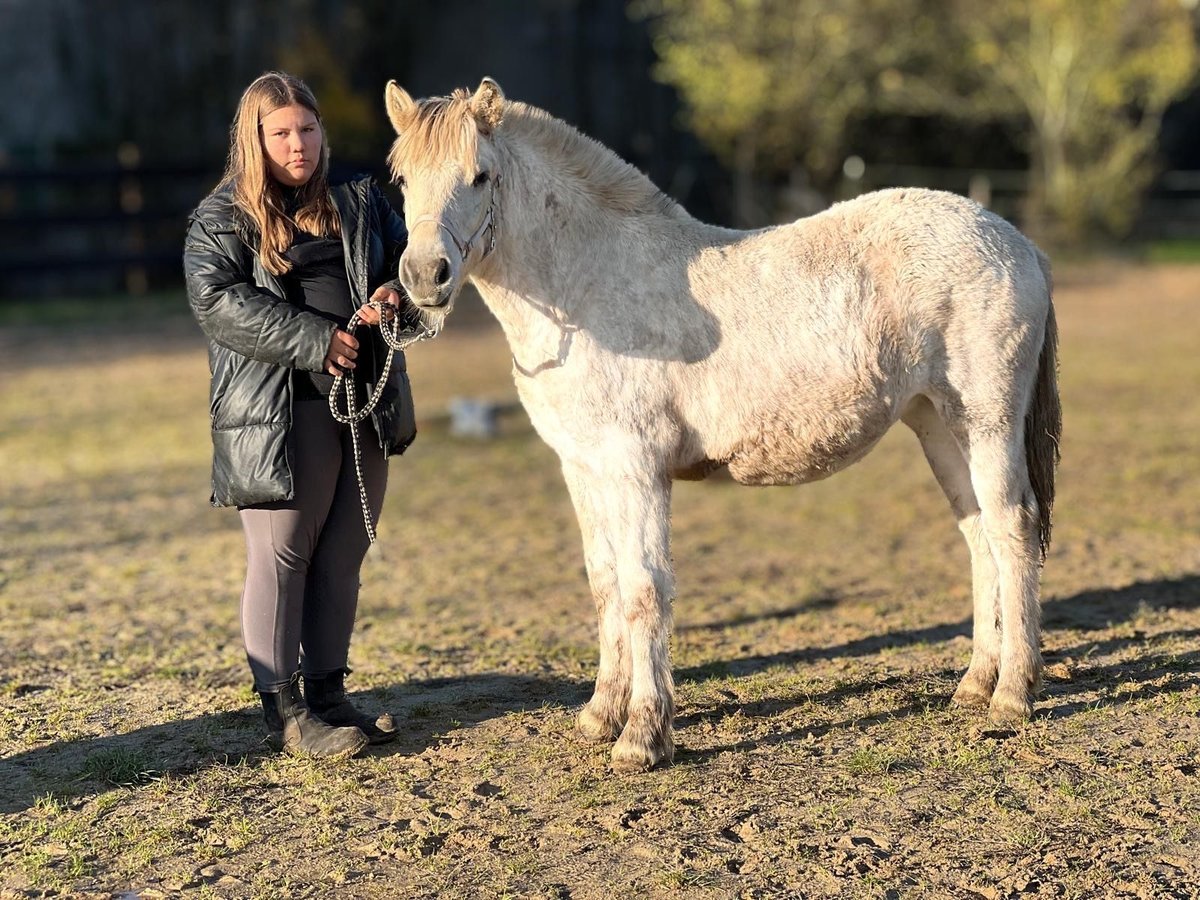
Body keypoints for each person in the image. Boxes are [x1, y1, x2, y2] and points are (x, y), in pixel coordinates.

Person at [183, 71, 416, 758]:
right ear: (255, 138)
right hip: (280, 412)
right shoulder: (222, 217)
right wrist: (319, 340)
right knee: (283, 556)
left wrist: (392, 290)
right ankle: (284, 714)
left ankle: (329, 696)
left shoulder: (360, 202)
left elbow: (409, 257)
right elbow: (217, 301)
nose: (298, 143)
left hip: (363, 403)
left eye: (308, 129)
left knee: (345, 551)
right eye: (281, 132)